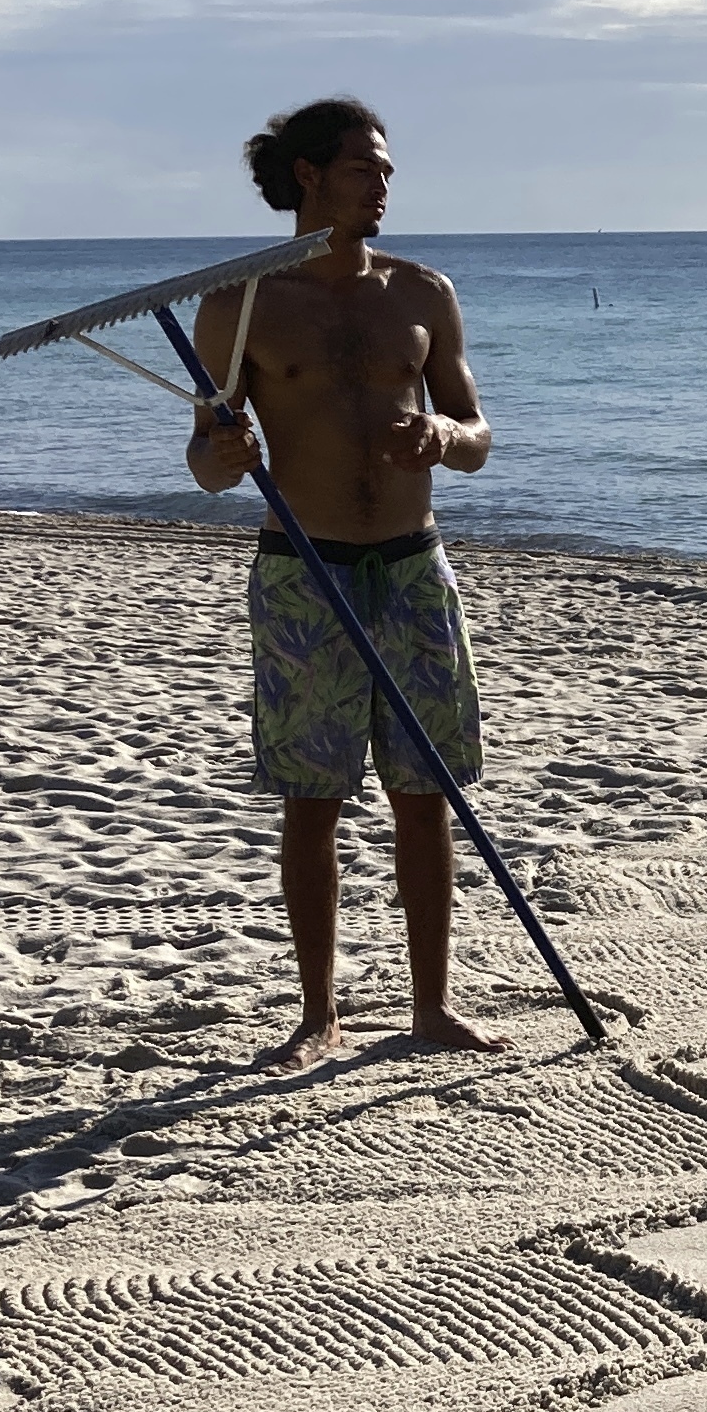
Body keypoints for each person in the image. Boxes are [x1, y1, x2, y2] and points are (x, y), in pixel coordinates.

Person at [183, 96, 507, 1069]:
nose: (383, 185)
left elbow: (479, 436)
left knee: (426, 791)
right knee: (312, 798)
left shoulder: (423, 293)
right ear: (308, 175)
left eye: (388, 170)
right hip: (304, 573)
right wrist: (227, 454)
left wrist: (444, 436)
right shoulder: (239, 304)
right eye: (365, 168)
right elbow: (204, 463)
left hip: (412, 568)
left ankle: (431, 1008)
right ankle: (318, 1015)